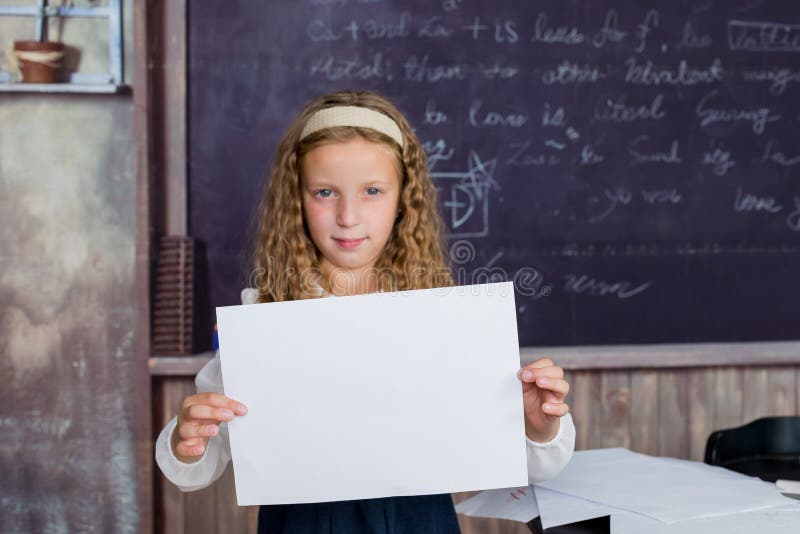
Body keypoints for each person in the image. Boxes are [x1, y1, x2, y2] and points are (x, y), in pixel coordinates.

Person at [155, 90, 575, 533]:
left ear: (403, 199)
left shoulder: (445, 315)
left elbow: (533, 464)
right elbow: (201, 463)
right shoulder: (266, 315)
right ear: (296, 200)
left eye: (372, 191)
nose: (348, 216)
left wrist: (537, 425)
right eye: (325, 192)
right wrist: (188, 441)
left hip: (420, 523)